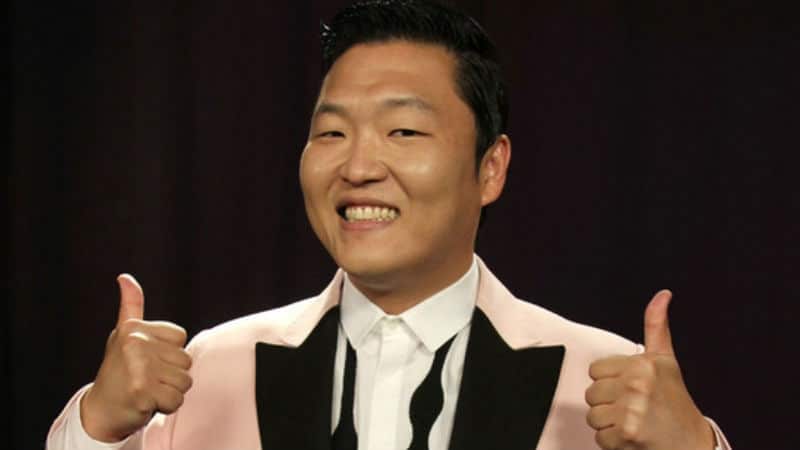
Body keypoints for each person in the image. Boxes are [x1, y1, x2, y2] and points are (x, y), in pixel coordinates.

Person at [47, 1, 731, 449]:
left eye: (404, 130)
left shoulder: (596, 381)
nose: (358, 166)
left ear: (490, 168)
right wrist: (99, 424)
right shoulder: (211, 372)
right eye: (332, 132)